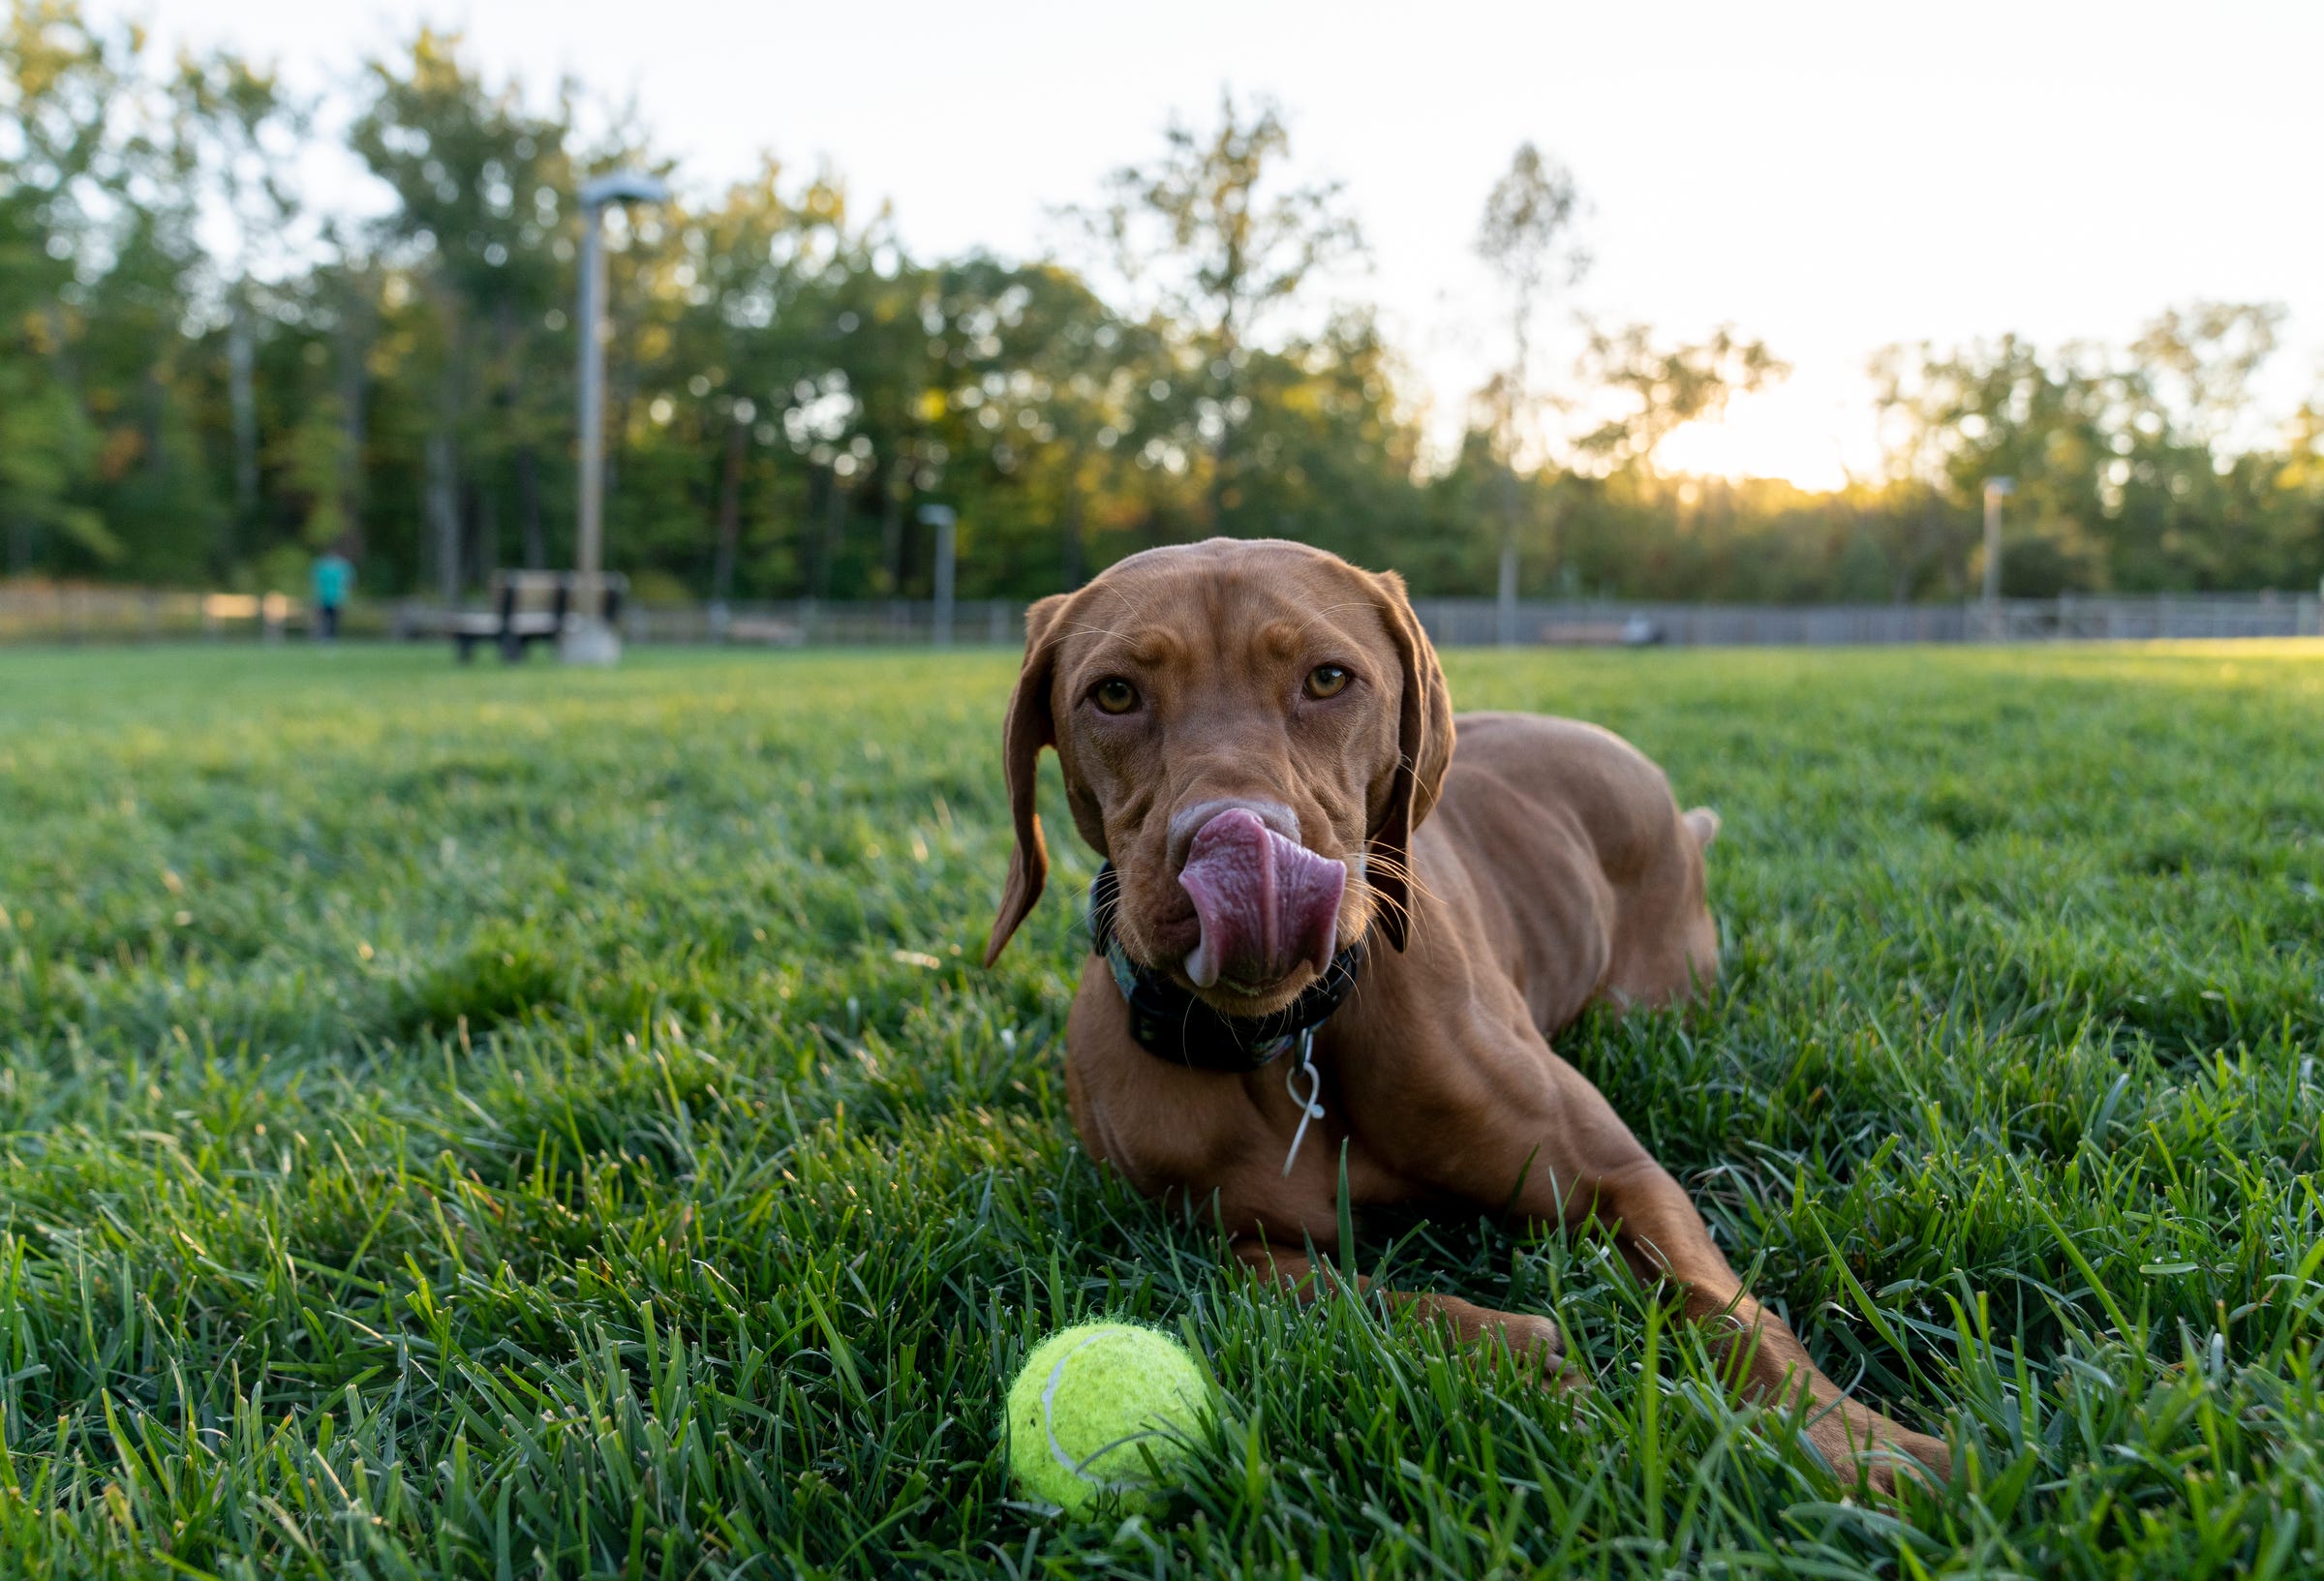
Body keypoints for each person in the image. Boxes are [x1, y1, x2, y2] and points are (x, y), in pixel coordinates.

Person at [312, 549, 353, 643]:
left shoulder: (342, 568)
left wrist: (344, 597)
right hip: (324, 598)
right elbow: (317, 584)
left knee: (334, 619)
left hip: (336, 598)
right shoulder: (321, 567)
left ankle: (332, 638)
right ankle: (323, 638)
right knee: (323, 619)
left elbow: (346, 583)